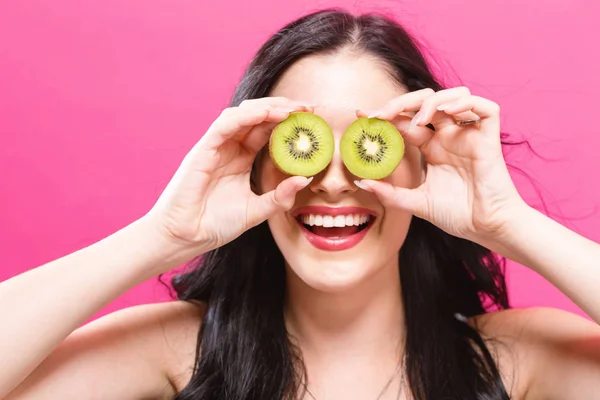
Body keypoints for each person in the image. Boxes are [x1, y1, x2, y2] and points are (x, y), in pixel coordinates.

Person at [2, 8, 600, 400]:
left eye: (369, 145)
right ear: (255, 164)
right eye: (304, 147)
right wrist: (162, 235)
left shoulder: (514, 362)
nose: (334, 182)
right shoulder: (173, 353)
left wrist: (509, 223)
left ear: (426, 162)